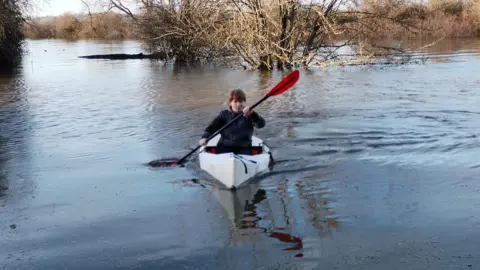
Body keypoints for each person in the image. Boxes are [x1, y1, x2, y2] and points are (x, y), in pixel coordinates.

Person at [199, 88, 265, 155]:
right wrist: (204, 137)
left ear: (244, 101)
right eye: (235, 101)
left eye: (241, 101)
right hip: (224, 146)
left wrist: (253, 115)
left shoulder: (250, 113)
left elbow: (261, 125)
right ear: (230, 102)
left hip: (244, 147)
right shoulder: (223, 114)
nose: (239, 104)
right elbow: (211, 128)